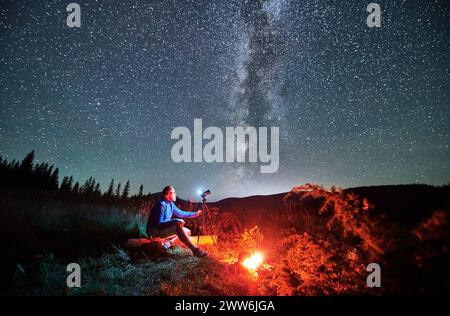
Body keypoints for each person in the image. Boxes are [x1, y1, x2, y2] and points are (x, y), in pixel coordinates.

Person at [146, 185, 208, 258]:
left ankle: (167, 244)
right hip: (154, 231)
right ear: (167, 195)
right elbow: (159, 225)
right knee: (177, 226)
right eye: (173, 192)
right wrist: (175, 221)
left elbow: (181, 213)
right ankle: (195, 250)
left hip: (161, 229)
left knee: (187, 231)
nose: (175, 194)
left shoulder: (170, 204)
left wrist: (195, 214)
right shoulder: (161, 205)